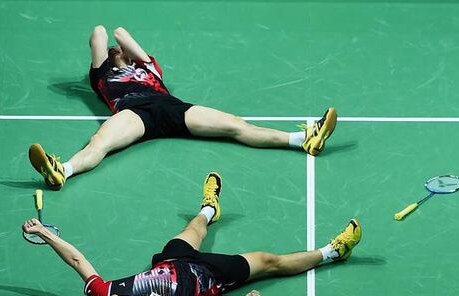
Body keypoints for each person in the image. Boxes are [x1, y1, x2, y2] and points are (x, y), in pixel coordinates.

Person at [21, 172, 361, 296]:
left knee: (195, 225)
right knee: (269, 260)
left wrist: (45, 234)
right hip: (209, 276)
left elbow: (77, 261)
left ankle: (210, 208)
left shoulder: (105, 292)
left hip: (172, 259)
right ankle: (333, 252)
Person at [28, 25, 338, 191]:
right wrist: (110, 55)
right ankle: (62, 171)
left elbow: (121, 33)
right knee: (100, 144)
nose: (115, 48)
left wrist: (124, 50)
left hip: (174, 109)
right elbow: (100, 33)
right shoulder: (101, 76)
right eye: (112, 52)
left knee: (234, 125)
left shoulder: (151, 69)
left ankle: (303, 140)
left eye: (118, 51)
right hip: (133, 114)